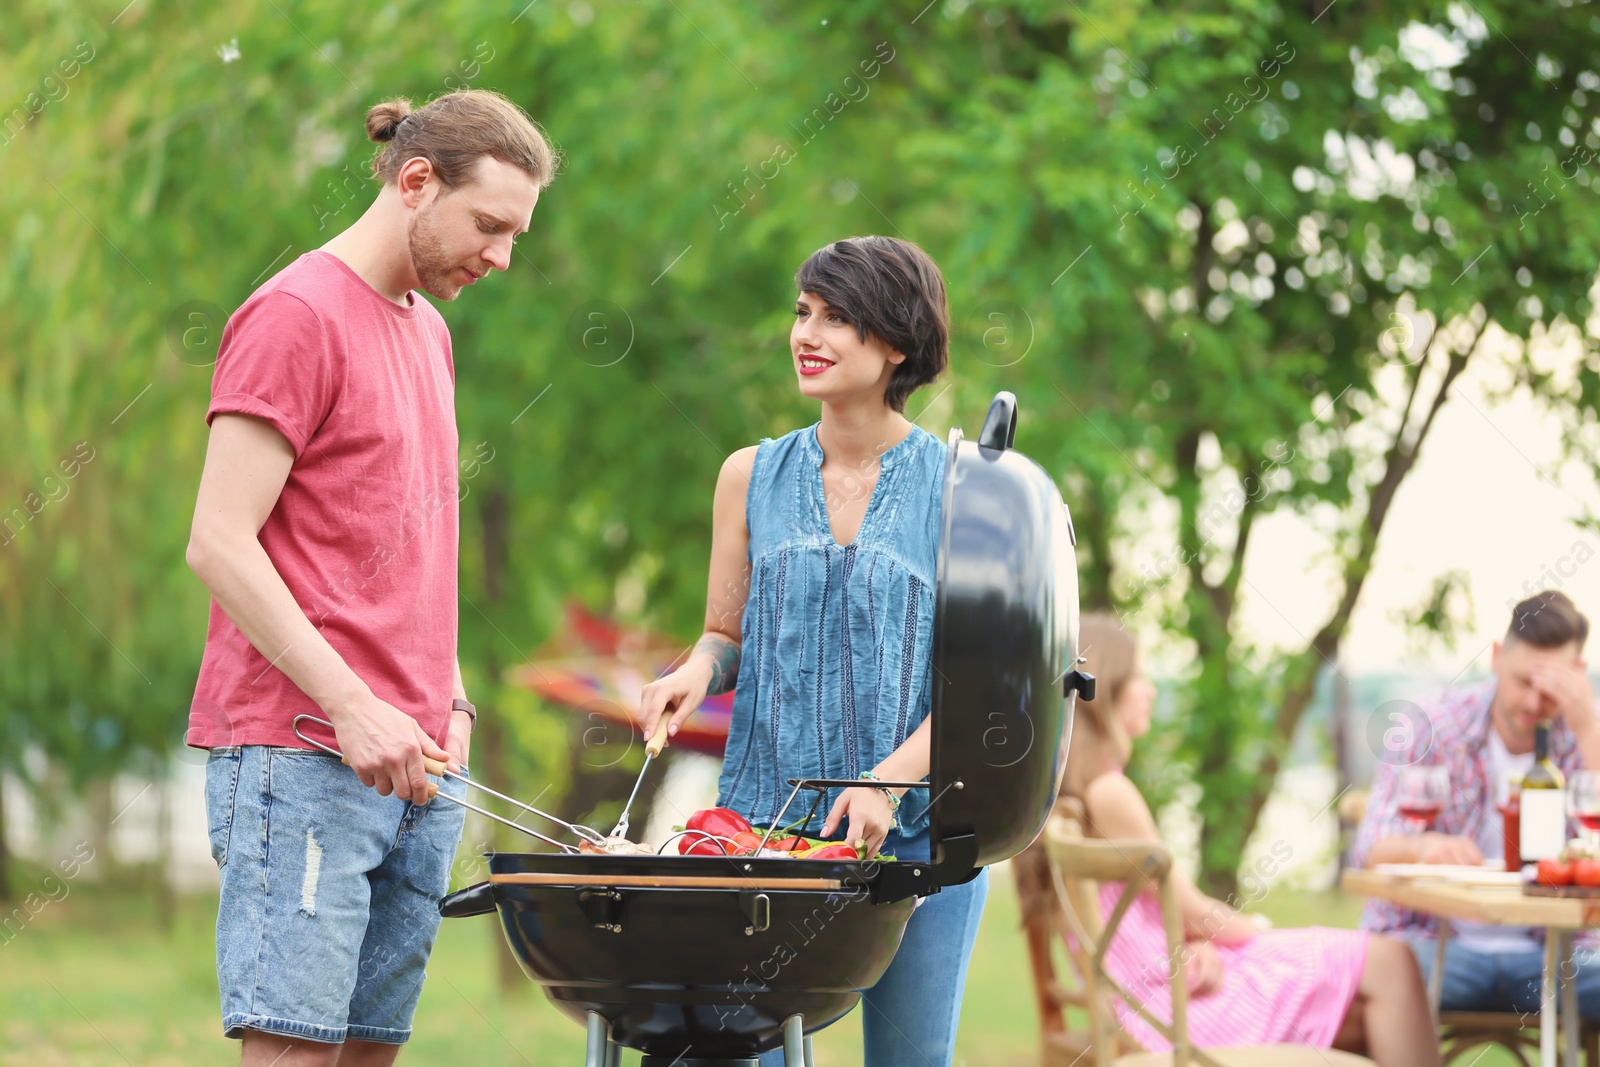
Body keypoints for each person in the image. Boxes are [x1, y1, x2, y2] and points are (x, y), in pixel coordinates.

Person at [185, 91, 556, 1066]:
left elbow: (403, 542)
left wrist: (456, 695)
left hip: (419, 762)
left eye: (516, 233)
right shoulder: (294, 314)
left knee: (366, 1053)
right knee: (295, 1054)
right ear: (415, 181)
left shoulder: (428, 332)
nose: (502, 256)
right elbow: (219, 540)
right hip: (304, 750)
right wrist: (354, 706)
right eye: (489, 225)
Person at [638, 235, 982, 1067]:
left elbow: (977, 684)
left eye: (838, 319)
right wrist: (692, 671)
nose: (808, 334)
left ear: (896, 343)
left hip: (915, 838)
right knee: (738, 1052)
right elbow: (726, 634)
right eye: (803, 313)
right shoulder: (748, 475)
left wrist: (886, 781)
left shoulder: (962, 490)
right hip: (763, 829)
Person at [1054, 613, 1440, 1067]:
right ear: (1107, 687)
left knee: (1364, 1005)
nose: (1151, 689)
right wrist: (1256, 930)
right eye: (1140, 675)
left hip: (1160, 990)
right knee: (1391, 960)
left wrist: (1199, 947)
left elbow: (1150, 920)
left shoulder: (1069, 795)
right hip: (1166, 1015)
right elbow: (1191, 909)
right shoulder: (1109, 791)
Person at [1353, 590, 1600, 1017]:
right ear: (1497, 657)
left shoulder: (1586, 733)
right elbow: (1369, 849)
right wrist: (1423, 847)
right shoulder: (1432, 723)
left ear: (1579, 673)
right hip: (1439, 949)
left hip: (1557, 957)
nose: (1532, 703)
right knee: (1358, 972)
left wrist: (1588, 729)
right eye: (1524, 680)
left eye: (1551, 687)